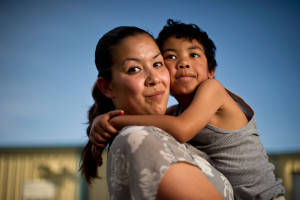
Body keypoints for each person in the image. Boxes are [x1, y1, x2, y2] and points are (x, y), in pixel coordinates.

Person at [90, 20, 286, 200]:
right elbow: (154, 122)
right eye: (171, 57)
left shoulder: (213, 90)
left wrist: (112, 121)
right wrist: (101, 123)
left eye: (194, 55)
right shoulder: (174, 114)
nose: (183, 63)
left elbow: (181, 129)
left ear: (211, 71)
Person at [79, 25, 234, 200]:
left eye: (158, 64)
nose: (154, 79)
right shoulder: (139, 137)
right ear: (107, 87)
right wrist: (110, 121)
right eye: (134, 69)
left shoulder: (166, 125)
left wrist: (111, 121)